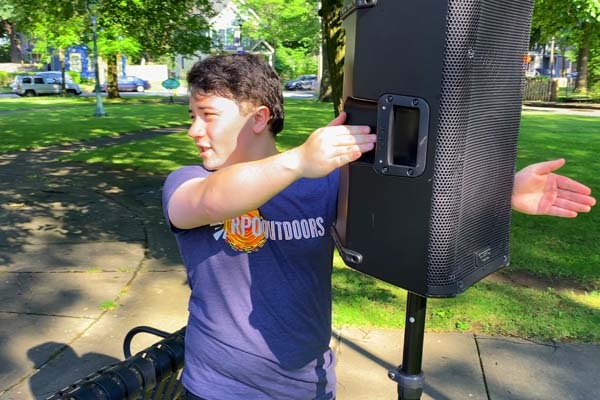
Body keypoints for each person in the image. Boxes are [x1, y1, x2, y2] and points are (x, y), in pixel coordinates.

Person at [162, 54, 596, 400]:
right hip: (219, 388)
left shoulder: (324, 182)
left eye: (206, 115)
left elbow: (415, 212)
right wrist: (298, 160)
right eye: (192, 115)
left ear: (258, 118)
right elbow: (209, 202)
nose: (193, 130)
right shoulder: (188, 182)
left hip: (308, 383)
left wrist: (500, 193)